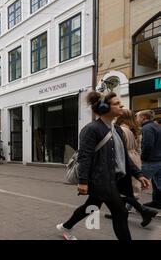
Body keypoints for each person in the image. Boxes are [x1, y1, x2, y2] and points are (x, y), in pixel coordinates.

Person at [56, 92, 150, 240]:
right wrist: (83, 181)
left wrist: (139, 174)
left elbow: (125, 158)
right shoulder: (91, 129)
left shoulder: (117, 130)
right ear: (105, 107)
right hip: (100, 180)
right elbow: (85, 157)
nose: (122, 106)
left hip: (114, 180)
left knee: (91, 207)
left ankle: (66, 226)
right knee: (120, 212)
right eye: (117, 104)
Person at [104, 109, 158, 227]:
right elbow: (139, 147)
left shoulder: (121, 129)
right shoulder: (133, 130)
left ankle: (144, 211)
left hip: (124, 159)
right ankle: (124, 213)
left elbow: (117, 148)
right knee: (124, 189)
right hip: (134, 158)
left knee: (119, 189)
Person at [136, 110, 161, 209]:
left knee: (138, 185)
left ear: (143, 118)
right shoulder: (158, 127)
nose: (136, 119)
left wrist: (143, 158)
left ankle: (124, 209)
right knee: (160, 186)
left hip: (150, 162)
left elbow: (148, 145)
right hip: (159, 161)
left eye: (137, 117)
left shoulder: (147, 128)